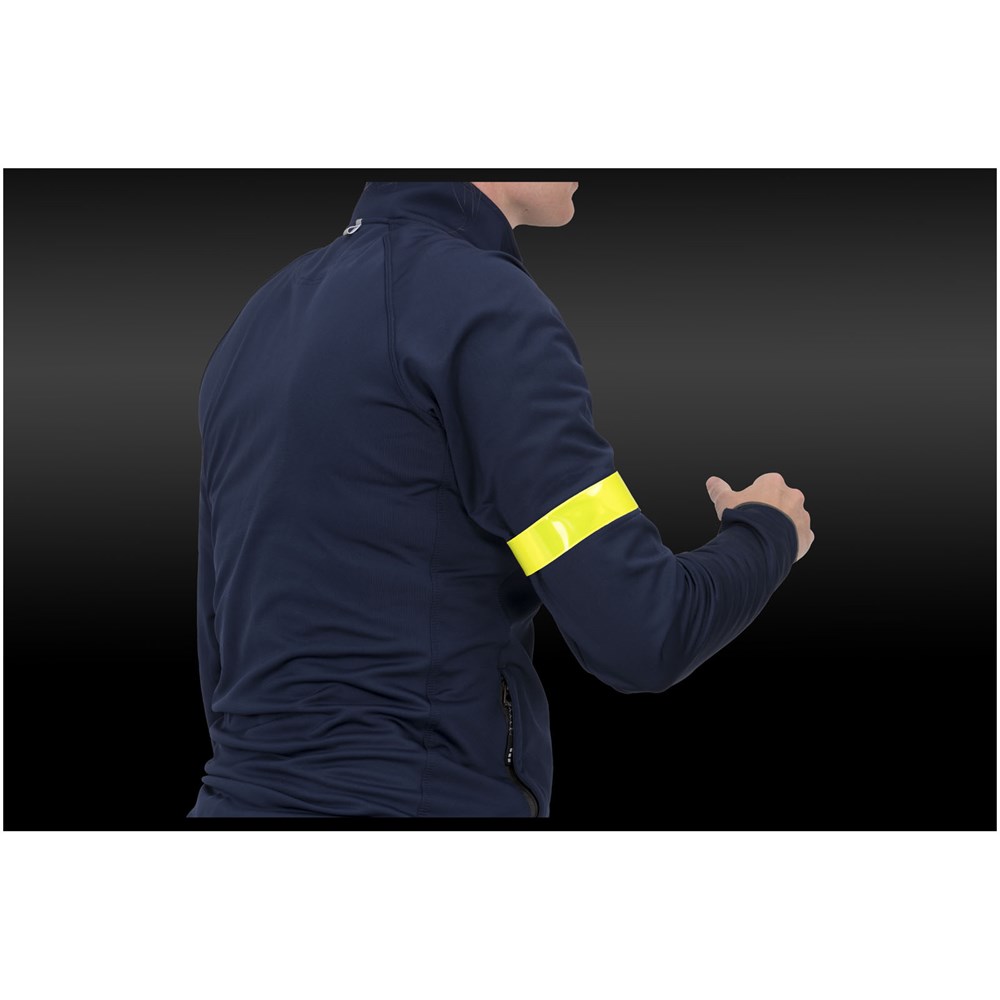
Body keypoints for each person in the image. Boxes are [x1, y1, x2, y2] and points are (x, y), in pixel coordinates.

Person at [188, 180, 813, 818]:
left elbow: (221, 645)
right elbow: (641, 635)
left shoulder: (257, 320)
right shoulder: (484, 307)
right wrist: (766, 533)